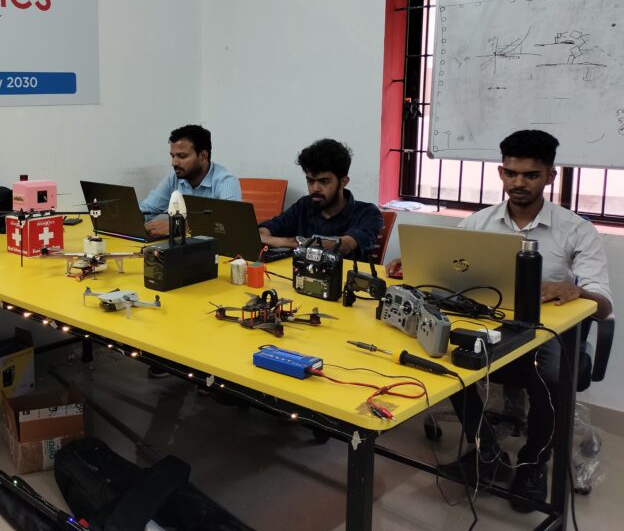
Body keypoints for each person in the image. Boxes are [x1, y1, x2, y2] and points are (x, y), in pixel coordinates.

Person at [387, 130, 613, 511]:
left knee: (550, 377)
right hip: (492, 330)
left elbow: (604, 305)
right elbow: (445, 270)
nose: (518, 183)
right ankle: (487, 450)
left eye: (531, 175)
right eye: (511, 173)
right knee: (442, 357)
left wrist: (577, 291)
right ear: (500, 172)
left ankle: (533, 463)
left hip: (546, 336)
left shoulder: (576, 230)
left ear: (550, 176)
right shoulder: (480, 223)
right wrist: (413, 266)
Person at [258, 138, 383, 261]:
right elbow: (264, 231)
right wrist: (264, 234)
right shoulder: (303, 205)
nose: (315, 188)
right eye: (310, 181)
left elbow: (344, 245)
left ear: (343, 182)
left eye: (324, 181)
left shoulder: (368, 213)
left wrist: (283, 242)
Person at [138, 124, 241, 237]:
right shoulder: (174, 178)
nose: (174, 163)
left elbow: (231, 222)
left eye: (181, 156)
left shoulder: (225, 181)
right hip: (184, 244)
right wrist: (132, 217)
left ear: (203, 157)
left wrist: (180, 225)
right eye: (173, 156)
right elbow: (148, 209)